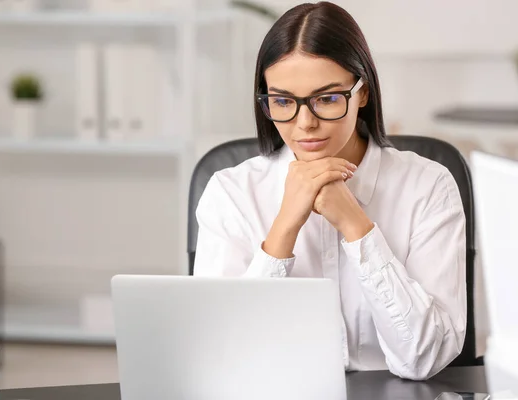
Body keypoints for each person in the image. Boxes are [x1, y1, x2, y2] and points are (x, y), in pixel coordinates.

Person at [193, 1, 467, 381]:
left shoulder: (428, 186)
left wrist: (357, 226)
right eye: (284, 101)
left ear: (363, 93)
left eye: (326, 99)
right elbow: (219, 354)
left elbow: (423, 359)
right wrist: (285, 227)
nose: (305, 123)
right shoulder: (231, 192)